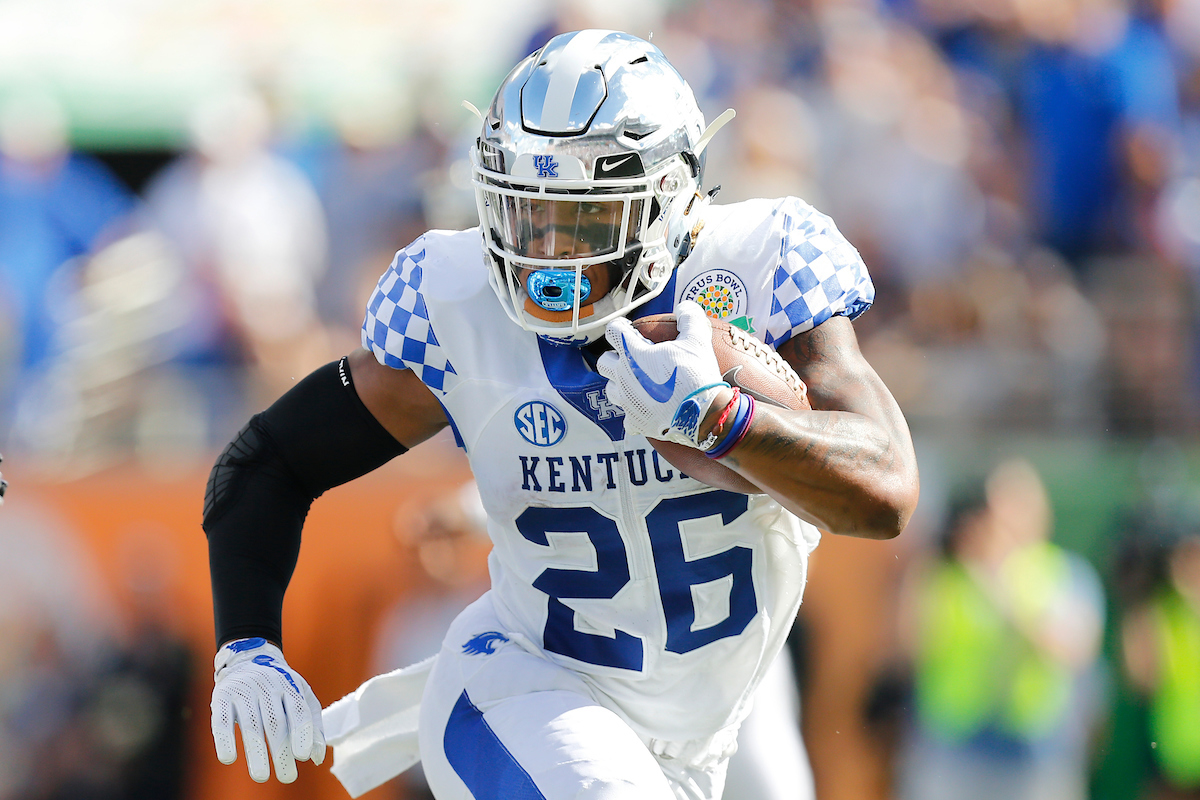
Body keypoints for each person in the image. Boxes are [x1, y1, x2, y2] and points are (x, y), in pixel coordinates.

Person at [204, 29, 919, 800]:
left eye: (579, 220)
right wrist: (246, 641)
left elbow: (882, 492)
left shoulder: (759, 266)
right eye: (524, 214)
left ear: (669, 201)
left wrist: (723, 420)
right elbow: (269, 459)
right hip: (524, 691)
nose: (545, 253)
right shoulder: (457, 301)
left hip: (704, 730)